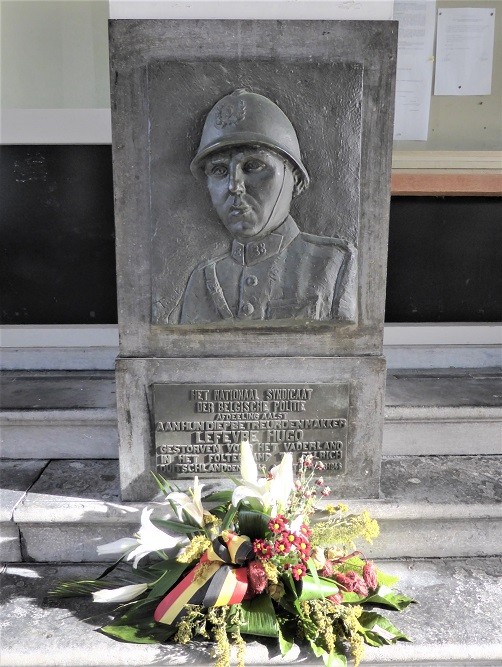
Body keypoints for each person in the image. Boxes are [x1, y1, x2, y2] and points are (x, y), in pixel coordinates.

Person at [178, 89, 357, 324]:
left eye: (253, 166)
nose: (235, 186)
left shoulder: (333, 263)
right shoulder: (204, 278)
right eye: (219, 170)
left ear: (297, 180)